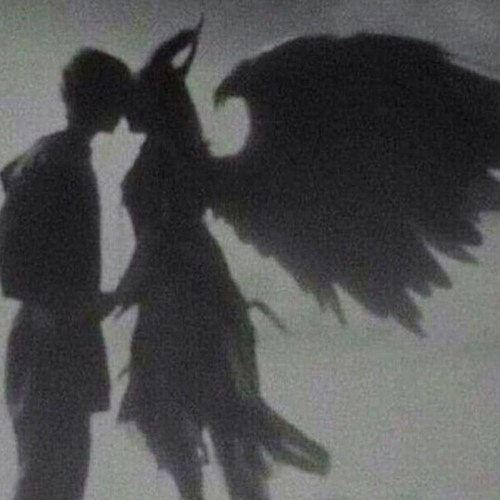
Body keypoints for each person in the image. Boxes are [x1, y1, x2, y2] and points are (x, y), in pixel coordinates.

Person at [115, 24, 329, 500]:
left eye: (138, 95)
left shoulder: (165, 156)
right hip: (189, 292)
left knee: (194, 431)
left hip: (181, 294)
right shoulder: (177, 150)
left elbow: (160, 234)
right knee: (222, 431)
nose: (128, 106)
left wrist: (119, 292)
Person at [0, 49, 131, 500]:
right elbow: (25, 265)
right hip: (55, 343)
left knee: (47, 471)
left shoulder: (47, 156)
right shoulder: (65, 166)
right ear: (102, 100)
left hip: (44, 336)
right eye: (120, 95)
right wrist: (86, 302)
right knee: (53, 476)